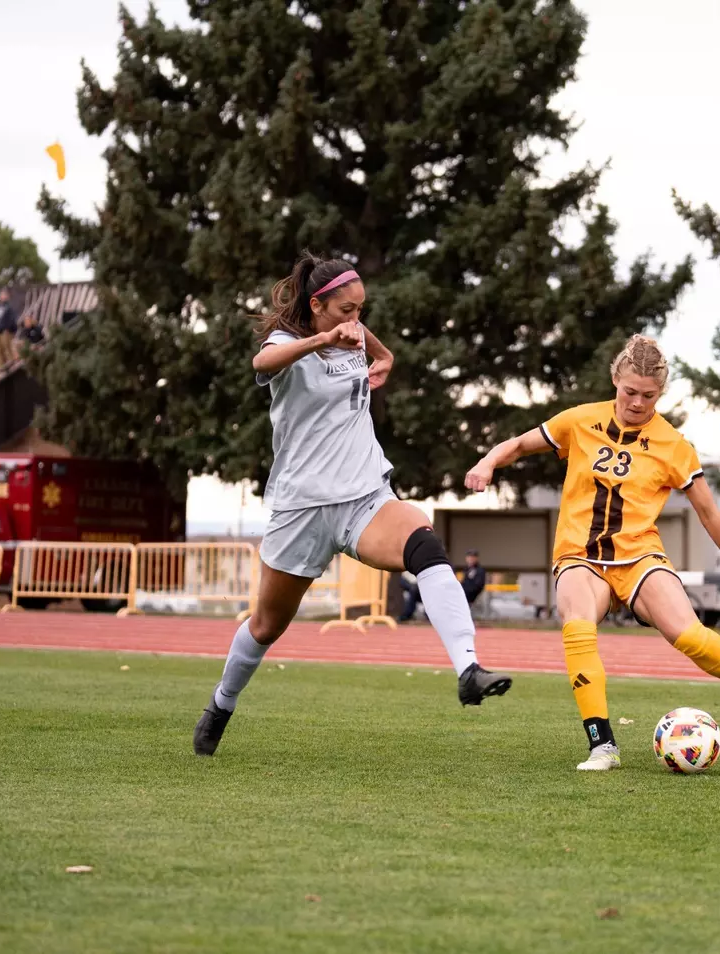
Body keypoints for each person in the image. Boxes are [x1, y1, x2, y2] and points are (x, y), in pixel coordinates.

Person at [192, 253, 513, 757]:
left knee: (425, 545)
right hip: (302, 510)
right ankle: (221, 703)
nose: (355, 321)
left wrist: (382, 355)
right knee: (266, 626)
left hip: (365, 498)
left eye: (361, 310)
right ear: (316, 306)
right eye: (345, 310)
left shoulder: (354, 331)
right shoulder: (290, 345)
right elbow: (260, 362)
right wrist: (323, 341)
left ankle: (468, 669)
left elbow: (374, 347)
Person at [465, 334, 720, 771]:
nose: (637, 402)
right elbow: (515, 444)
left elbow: (709, 513)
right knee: (577, 625)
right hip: (580, 555)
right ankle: (602, 745)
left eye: (648, 396)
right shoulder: (579, 420)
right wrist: (486, 463)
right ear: (615, 379)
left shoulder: (673, 444)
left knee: (687, 634)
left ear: (660, 393)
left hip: (639, 557)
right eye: (630, 391)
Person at [0, 289, 19, 364]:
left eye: (4, 295)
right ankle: (1, 367)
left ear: (8, 297)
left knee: (7, 349)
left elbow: (12, 320)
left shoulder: (10, 307)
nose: (3, 297)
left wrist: (7, 329)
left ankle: (11, 365)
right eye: (1, 295)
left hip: (6, 332)